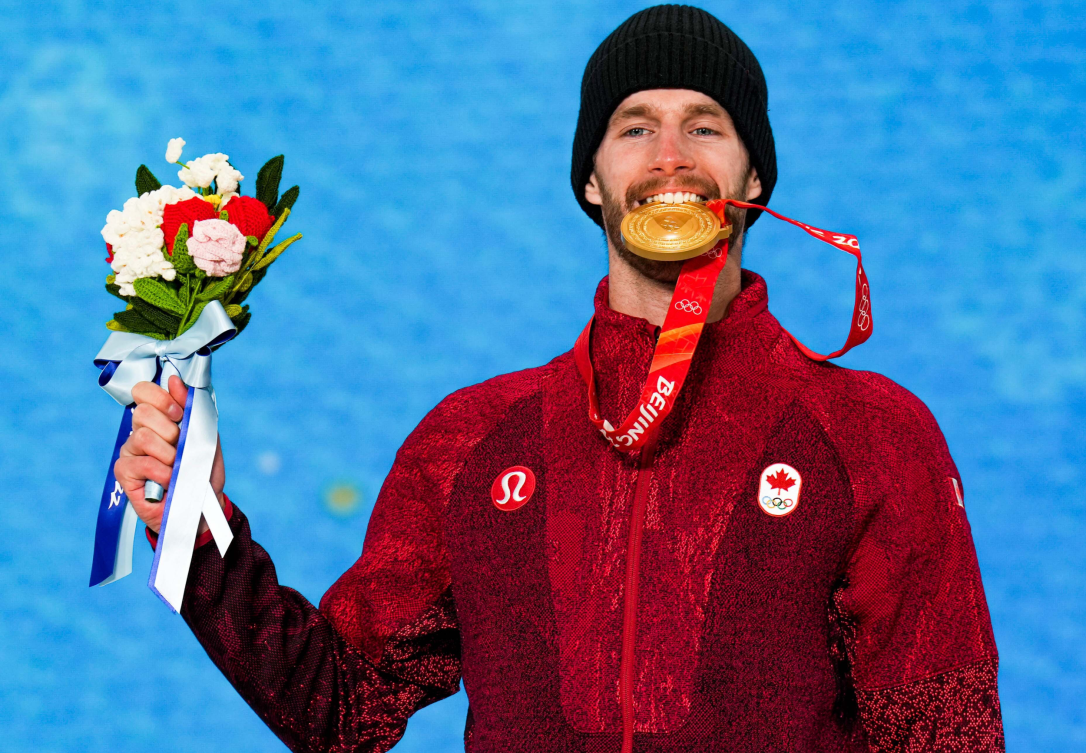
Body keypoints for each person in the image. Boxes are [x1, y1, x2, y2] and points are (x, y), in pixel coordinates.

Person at [115, 5, 1004, 752]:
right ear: (590, 179)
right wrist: (194, 524)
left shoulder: (873, 432)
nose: (669, 155)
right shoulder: (472, 438)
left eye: (705, 125)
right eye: (634, 127)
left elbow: (949, 734)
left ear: (754, 176)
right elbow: (341, 708)